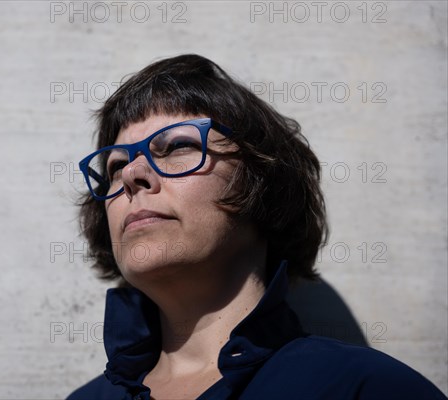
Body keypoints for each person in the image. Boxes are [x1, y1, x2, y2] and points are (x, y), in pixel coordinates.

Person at [68, 54, 446, 399]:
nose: (132, 174)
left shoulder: (368, 390)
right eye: (115, 166)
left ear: (262, 184)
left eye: (178, 147)